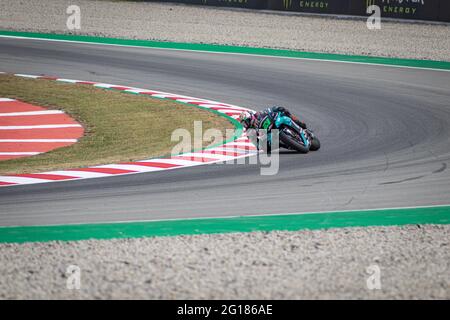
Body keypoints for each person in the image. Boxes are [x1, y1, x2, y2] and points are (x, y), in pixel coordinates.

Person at [238, 106, 307, 131]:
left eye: (246, 122)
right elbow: (258, 145)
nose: (245, 125)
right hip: (270, 136)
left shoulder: (259, 114)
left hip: (275, 122)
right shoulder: (250, 132)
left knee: (284, 111)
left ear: (251, 117)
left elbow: (270, 109)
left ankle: (299, 123)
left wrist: (277, 109)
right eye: (244, 124)